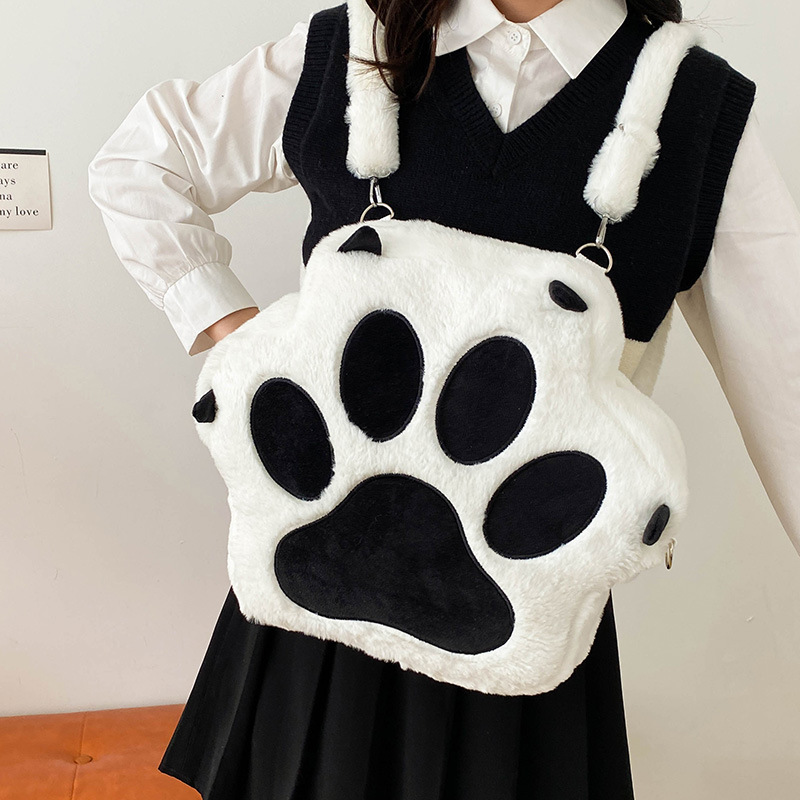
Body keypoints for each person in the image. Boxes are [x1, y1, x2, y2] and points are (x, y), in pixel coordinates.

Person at [87, 0, 800, 797]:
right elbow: (140, 164)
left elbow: (790, 382)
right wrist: (244, 343)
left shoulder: (698, 110)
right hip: (317, 610)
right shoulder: (351, 46)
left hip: (517, 639)